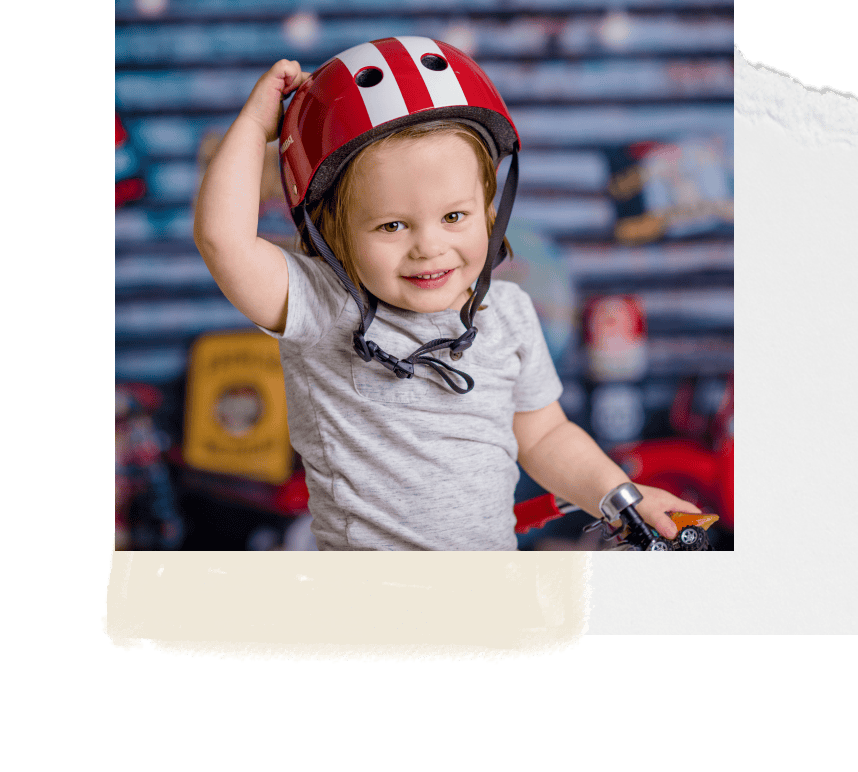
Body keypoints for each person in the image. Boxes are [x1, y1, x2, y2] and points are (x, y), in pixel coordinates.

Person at [194, 37, 699, 550]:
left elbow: (546, 436)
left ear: (489, 212)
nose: (429, 247)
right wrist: (257, 125)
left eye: (454, 216)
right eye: (392, 225)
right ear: (335, 234)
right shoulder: (321, 305)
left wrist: (622, 497)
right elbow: (224, 240)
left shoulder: (509, 314)